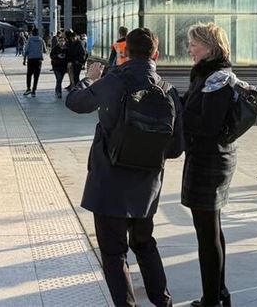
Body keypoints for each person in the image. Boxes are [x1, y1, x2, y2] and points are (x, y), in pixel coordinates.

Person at [65, 28, 184, 307]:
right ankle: (162, 301)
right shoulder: (168, 90)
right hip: (146, 188)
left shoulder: (113, 81)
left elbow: (75, 103)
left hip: (109, 185)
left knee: (114, 253)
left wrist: (88, 80)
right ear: (156, 54)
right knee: (144, 244)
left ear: (124, 51)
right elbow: (177, 148)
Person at [183, 22, 239, 307]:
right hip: (210, 156)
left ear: (209, 46)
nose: (189, 48)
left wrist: (180, 116)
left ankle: (212, 300)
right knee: (211, 229)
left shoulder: (217, 78)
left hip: (210, 159)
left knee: (207, 233)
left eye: (193, 43)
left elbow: (207, 124)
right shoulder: (208, 74)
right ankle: (219, 294)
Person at [22, 27, 46, 97]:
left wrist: (24, 59)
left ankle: (28, 89)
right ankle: (33, 91)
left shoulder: (29, 39)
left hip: (31, 60)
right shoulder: (41, 40)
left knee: (29, 74)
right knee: (36, 76)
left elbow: (26, 50)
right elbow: (45, 50)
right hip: (38, 60)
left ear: (32, 33)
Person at [50, 34, 69, 98]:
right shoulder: (55, 48)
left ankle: (57, 89)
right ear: (58, 41)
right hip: (56, 67)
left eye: (63, 41)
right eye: (60, 41)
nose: (62, 42)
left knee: (60, 80)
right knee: (59, 79)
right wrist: (57, 56)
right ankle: (59, 92)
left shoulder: (67, 49)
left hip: (63, 67)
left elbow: (69, 57)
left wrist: (65, 57)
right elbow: (51, 56)